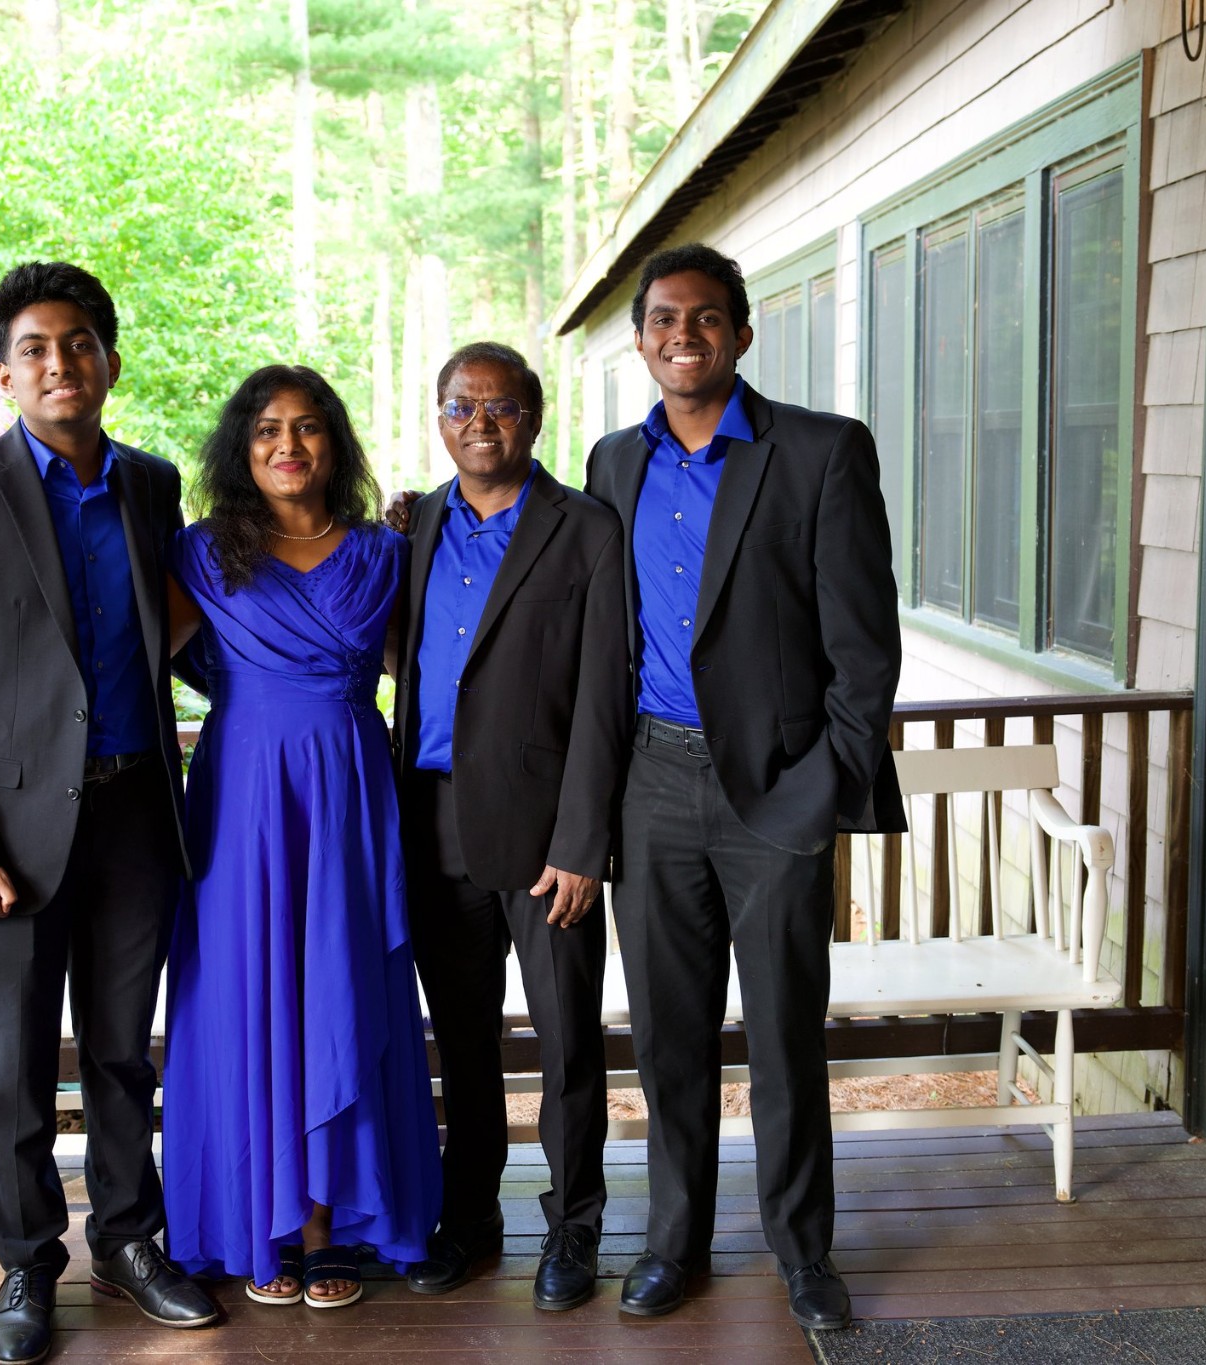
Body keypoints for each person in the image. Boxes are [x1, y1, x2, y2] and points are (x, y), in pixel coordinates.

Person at [0, 262, 220, 1365]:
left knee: (126, 1053)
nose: (57, 363)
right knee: (17, 1061)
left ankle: (131, 1244)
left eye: (77, 343)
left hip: (137, 816)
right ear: (3, 373)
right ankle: (28, 1266)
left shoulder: (151, 484)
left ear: (109, 362)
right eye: (34, 348)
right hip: (18, 837)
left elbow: (186, 624)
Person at [583, 244, 905, 1335]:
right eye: (664, 318)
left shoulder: (817, 453)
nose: (684, 334)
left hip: (777, 794)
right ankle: (671, 1242)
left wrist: (824, 792)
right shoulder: (610, 466)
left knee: (781, 1036)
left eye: (706, 318)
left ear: (741, 334)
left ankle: (801, 1252)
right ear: (639, 341)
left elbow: (865, 654)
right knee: (666, 1035)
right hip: (652, 784)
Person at [159, 365, 443, 1310]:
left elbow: (434, 670)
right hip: (245, 792)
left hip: (352, 790)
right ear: (241, 450)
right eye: (268, 430)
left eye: (310, 427)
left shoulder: (384, 549)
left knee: (341, 984)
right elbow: (127, 662)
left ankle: (331, 1225)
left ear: (337, 444)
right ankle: (261, 1221)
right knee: (250, 993)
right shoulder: (202, 554)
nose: (289, 444)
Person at [394, 343, 628, 1312]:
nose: (479, 423)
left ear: (533, 419)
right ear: (439, 419)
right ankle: (471, 1217)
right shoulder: (413, 528)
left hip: (544, 838)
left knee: (568, 1040)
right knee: (462, 1038)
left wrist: (583, 843)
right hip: (432, 819)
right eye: (461, 406)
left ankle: (572, 1227)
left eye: (499, 407)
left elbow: (606, 697)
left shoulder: (585, 531)